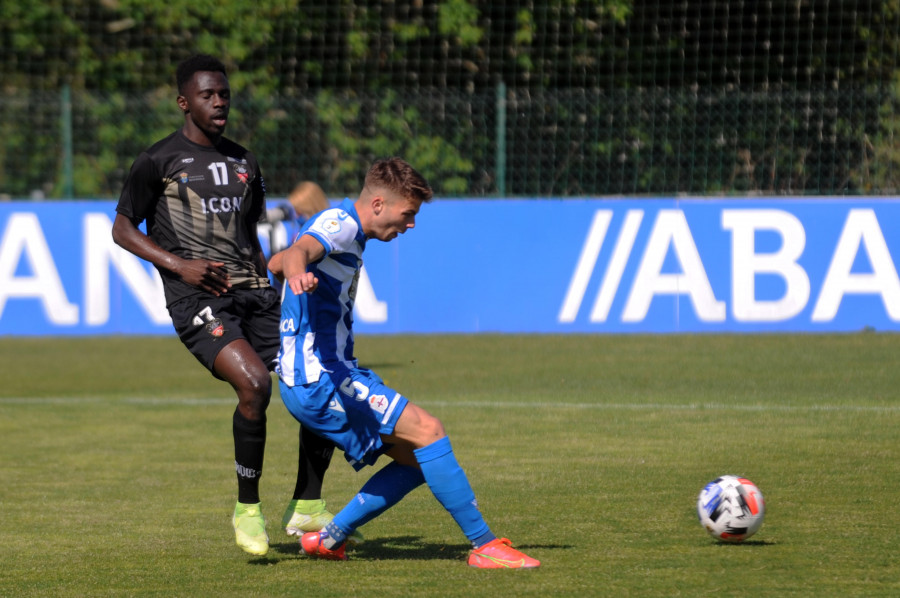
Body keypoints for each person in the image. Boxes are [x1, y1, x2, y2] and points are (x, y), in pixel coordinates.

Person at [111, 54, 337, 557]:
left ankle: (307, 503)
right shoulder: (157, 160)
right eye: (208, 95)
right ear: (183, 102)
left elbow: (249, 234)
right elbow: (122, 229)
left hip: (257, 291)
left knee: (317, 384)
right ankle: (247, 509)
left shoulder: (245, 161)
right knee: (255, 384)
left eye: (224, 94)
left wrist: (278, 277)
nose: (219, 102)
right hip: (198, 298)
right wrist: (179, 265)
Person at [268, 157, 541, 569]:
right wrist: (295, 272)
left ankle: (330, 539)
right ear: (378, 204)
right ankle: (484, 546)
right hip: (320, 379)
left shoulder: (345, 230)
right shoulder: (339, 223)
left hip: (330, 375)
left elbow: (282, 257)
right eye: (407, 213)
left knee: (419, 459)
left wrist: (287, 268)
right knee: (429, 431)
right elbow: (296, 253)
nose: (410, 224)